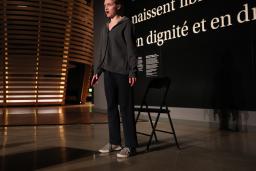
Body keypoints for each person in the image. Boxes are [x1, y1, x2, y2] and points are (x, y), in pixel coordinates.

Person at [91, 0, 138, 158]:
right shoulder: (104, 28)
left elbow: (131, 48)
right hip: (108, 72)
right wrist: (97, 71)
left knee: (125, 108)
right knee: (111, 108)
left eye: (109, 4)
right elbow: (101, 52)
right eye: (105, 4)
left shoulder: (126, 23)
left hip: (123, 72)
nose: (106, 7)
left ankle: (130, 145)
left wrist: (132, 71)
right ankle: (115, 142)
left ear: (117, 6)